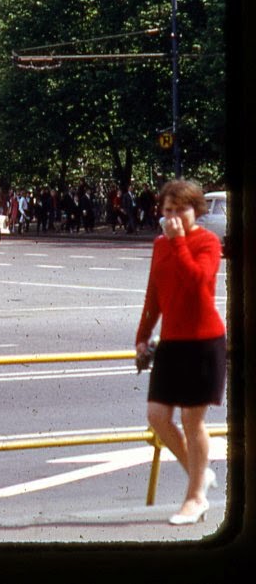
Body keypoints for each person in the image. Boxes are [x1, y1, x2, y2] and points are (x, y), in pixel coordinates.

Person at [134, 179, 225, 525]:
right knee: (157, 416)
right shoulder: (161, 245)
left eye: (180, 210)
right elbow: (154, 293)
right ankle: (198, 474)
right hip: (172, 341)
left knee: (192, 420)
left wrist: (180, 243)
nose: (173, 217)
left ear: (196, 211)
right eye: (167, 210)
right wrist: (142, 336)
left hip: (203, 341)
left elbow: (197, 284)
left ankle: (195, 496)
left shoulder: (207, 242)